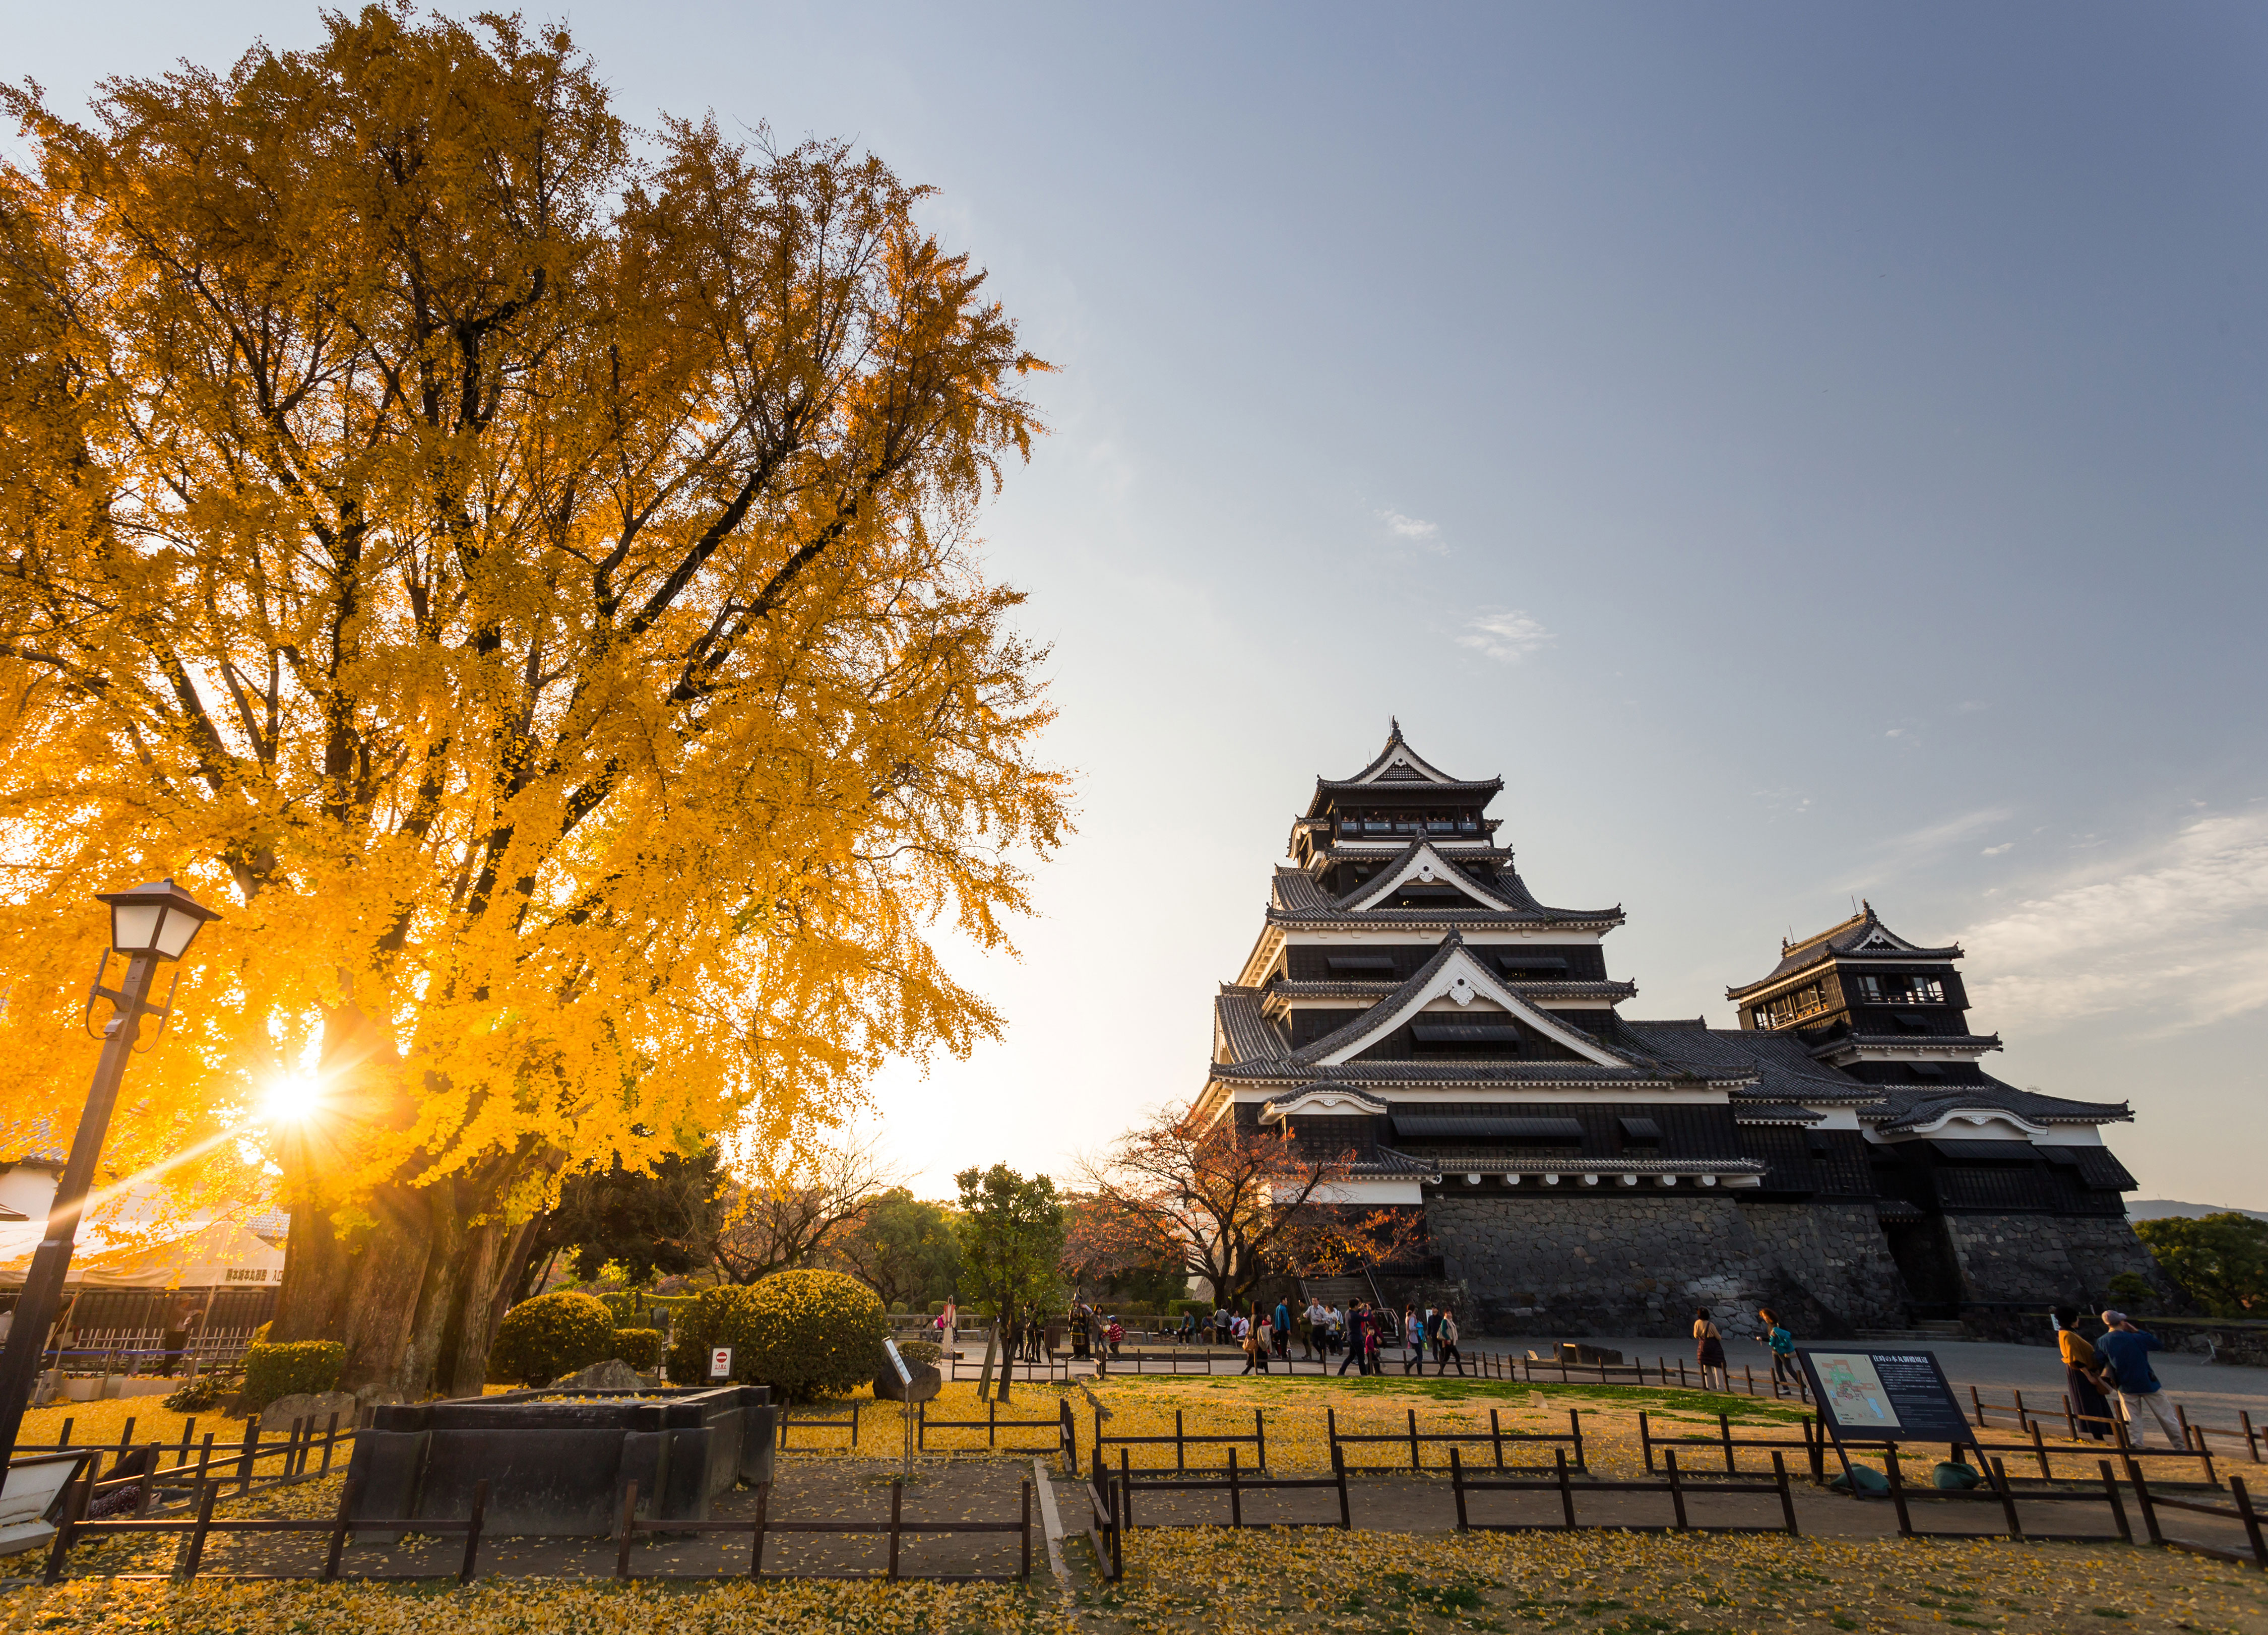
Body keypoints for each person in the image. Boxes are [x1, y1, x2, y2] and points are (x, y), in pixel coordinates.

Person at [2097, 1309, 2182, 1448]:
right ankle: (2181, 1445)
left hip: (2124, 1384)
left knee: (2131, 1418)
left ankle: (2136, 1444)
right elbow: (2157, 1345)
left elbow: (2099, 1361)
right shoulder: (2135, 1338)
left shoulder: (2102, 1341)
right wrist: (2137, 1331)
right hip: (2148, 1381)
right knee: (2166, 1416)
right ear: (2122, 1322)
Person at [2054, 1307, 2113, 1441]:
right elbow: (2075, 1359)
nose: (2078, 1320)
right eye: (2076, 1318)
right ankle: (2098, 1434)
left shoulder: (2068, 1333)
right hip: (2081, 1372)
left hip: (2082, 1371)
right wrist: (2089, 1376)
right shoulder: (2068, 1335)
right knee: (2090, 1403)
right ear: (2071, 1319)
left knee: (2093, 1403)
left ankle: (2100, 1433)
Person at [1754, 1308, 1800, 1392]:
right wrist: (1762, 1339)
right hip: (1775, 1351)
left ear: (1770, 1316)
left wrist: (1778, 1335)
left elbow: (1787, 1335)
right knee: (1779, 1371)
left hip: (1782, 1350)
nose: (1765, 1319)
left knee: (1789, 1369)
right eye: (1763, 1317)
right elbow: (1771, 1339)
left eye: (1765, 1317)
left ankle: (1803, 1387)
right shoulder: (1769, 1326)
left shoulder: (1779, 1325)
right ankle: (1786, 1389)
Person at [1693, 1306, 1729, 1392]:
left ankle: (1709, 1386)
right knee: (1718, 1366)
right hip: (1714, 1348)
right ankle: (1720, 1387)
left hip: (1702, 1347)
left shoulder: (1697, 1323)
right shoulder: (1710, 1325)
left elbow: (1695, 1335)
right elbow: (1718, 1337)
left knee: (1706, 1366)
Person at [1338, 1303, 1367, 1375]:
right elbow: (1367, 1318)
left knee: (1351, 1356)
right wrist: (1369, 1310)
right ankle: (1364, 1373)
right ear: (1355, 1306)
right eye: (1358, 1306)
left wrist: (1360, 1309)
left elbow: (1354, 1312)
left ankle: (1341, 1371)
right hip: (1357, 1338)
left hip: (1351, 1338)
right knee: (1361, 1357)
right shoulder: (1355, 1315)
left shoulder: (1348, 1313)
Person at [1438, 1306, 1465, 1376]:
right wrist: (1448, 1338)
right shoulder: (1445, 1321)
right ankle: (1461, 1373)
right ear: (1445, 1314)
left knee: (1449, 1358)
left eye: (1450, 1313)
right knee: (1451, 1357)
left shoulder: (1451, 1322)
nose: (1449, 1315)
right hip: (1448, 1342)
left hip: (1452, 1342)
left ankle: (1440, 1372)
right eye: (1447, 1313)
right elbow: (1443, 1331)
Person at [1402, 1305, 1424, 1374]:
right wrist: (1418, 1327)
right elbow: (1411, 1328)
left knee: (1419, 1355)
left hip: (1412, 1337)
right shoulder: (1412, 1317)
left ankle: (1408, 1367)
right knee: (1420, 1355)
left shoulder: (1408, 1316)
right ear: (1414, 1310)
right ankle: (1419, 1371)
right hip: (1414, 1337)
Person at [1273, 1296, 1291, 1361]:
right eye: (1286, 1300)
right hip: (1284, 1328)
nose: (1287, 1302)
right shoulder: (1283, 1309)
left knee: (1281, 1342)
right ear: (1283, 1300)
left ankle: (1282, 1355)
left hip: (1279, 1328)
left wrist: (1276, 1327)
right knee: (1284, 1342)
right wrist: (1288, 1328)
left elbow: (1275, 1318)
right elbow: (1286, 1319)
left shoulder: (1278, 1308)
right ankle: (1284, 1355)